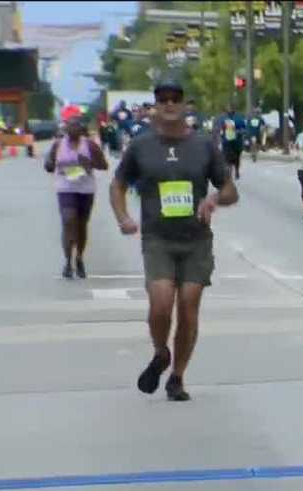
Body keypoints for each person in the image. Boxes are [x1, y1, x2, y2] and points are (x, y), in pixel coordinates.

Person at [109, 76, 238, 402]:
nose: (168, 103)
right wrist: (123, 217)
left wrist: (213, 200)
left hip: (196, 240)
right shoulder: (141, 146)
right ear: (154, 105)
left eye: (175, 97)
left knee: (190, 308)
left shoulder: (203, 144)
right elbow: (118, 185)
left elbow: (229, 190)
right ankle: (159, 352)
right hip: (158, 239)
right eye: (162, 98)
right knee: (162, 303)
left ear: (184, 104)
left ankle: (177, 377)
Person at [44, 115, 109, 279]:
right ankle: (67, 261)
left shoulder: (90, 145)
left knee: (81, 225)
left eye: (76, 127)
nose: (72, 130)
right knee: (68, 220)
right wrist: (53, 165)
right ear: (65, 129)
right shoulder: (58, 145)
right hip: (65, 188)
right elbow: (48, 165)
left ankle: (79, 257)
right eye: (69, 127)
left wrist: (89, 162)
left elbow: (104, 165)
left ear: (81, 130)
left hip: (85, 189)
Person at [217, 104, 246, 180]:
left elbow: (243, 129)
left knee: (237, 159)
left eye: (231, 108)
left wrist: (238, 132)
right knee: (227, 159)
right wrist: (220, 134)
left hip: (237, 142)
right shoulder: (223, 118)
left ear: (234, 109)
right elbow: (219, 129)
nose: (230, 110)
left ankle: (236, 170)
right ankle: (228, 174)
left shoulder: (239, 118)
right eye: (229, 108)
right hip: (226, 142)